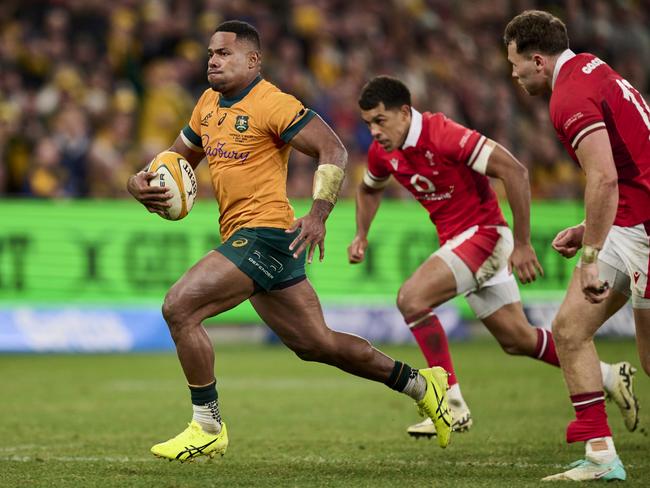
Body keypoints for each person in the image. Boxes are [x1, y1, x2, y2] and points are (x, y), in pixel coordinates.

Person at [126, 21, 452, 462]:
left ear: (253, 60)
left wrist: (318, 213)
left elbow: (333, 149)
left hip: (264, 235)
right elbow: (175, 159)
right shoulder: (206, 105)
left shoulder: (272, 104)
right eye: (210, 54)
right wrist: (138, 183)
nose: (213, 61)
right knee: (318, 344)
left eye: (224, 53)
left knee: (179, 307)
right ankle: (422, 384)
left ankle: (207, 425)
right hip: (258, 240)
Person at [349, 75, 638, 440]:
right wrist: (361, 233)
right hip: (462, 243)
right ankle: (611, 376)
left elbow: (514, 170)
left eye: (380, 120)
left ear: (405, 113)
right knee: (518, 339)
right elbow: (368, 189)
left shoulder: (444, 134)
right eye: (367, 124)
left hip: (485, 235)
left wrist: (522, 243)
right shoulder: (383, 151)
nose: (374, 131)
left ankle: (450, 404)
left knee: (411, 299)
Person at [504, 10, 650, 482]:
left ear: (539, 61)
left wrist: (589, 256)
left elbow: (605, 176)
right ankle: (602, 455)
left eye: (516, 64)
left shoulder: (568, 97)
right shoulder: (591, 66)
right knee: (568, 330)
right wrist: (588, 227)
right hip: (630, 221)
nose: (513, 73)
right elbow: (630, 166)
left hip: (645, 231)